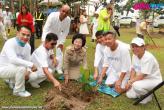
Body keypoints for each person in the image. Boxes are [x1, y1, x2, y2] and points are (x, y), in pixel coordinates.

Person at [0, 25, 37, 97]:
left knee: (33, 76)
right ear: (17, 33)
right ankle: (18, 90)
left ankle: (11, 82)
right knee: (21, 68)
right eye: (23, 34)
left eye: (28, 35)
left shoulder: (27, 46)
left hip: (14, 68)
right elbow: (13, 59)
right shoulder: (10, 42)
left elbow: (27, 60)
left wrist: (28, 71)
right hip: (3, 69)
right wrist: (31, 65)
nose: (26, 37)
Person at [125, 37, 162, 104]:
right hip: (142, 79)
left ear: (143, 47)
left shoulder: (148, 58)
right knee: (129, 95)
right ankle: (145, 92)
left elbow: (142, 75)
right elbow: (133, 69)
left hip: (153, 80)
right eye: (133, 46)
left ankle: (148, 96)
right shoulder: (134, 55)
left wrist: (130, 82)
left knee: (136, 85)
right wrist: (130, 81)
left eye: (137, 46)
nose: (134, 49)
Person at [42, 5, 71, 74]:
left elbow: (65, 32)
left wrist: (61, 43)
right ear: (60, 10)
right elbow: (46, 28)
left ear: (68, 13)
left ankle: (58, 68)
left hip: (58, 36)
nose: (64, 13)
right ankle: (48, 67)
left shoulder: (68, 19)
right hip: (49, 35)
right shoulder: (52, 16)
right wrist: (44, 40)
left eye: (66, 12)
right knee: (47, 52)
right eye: (63, 11)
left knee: (60, 51)